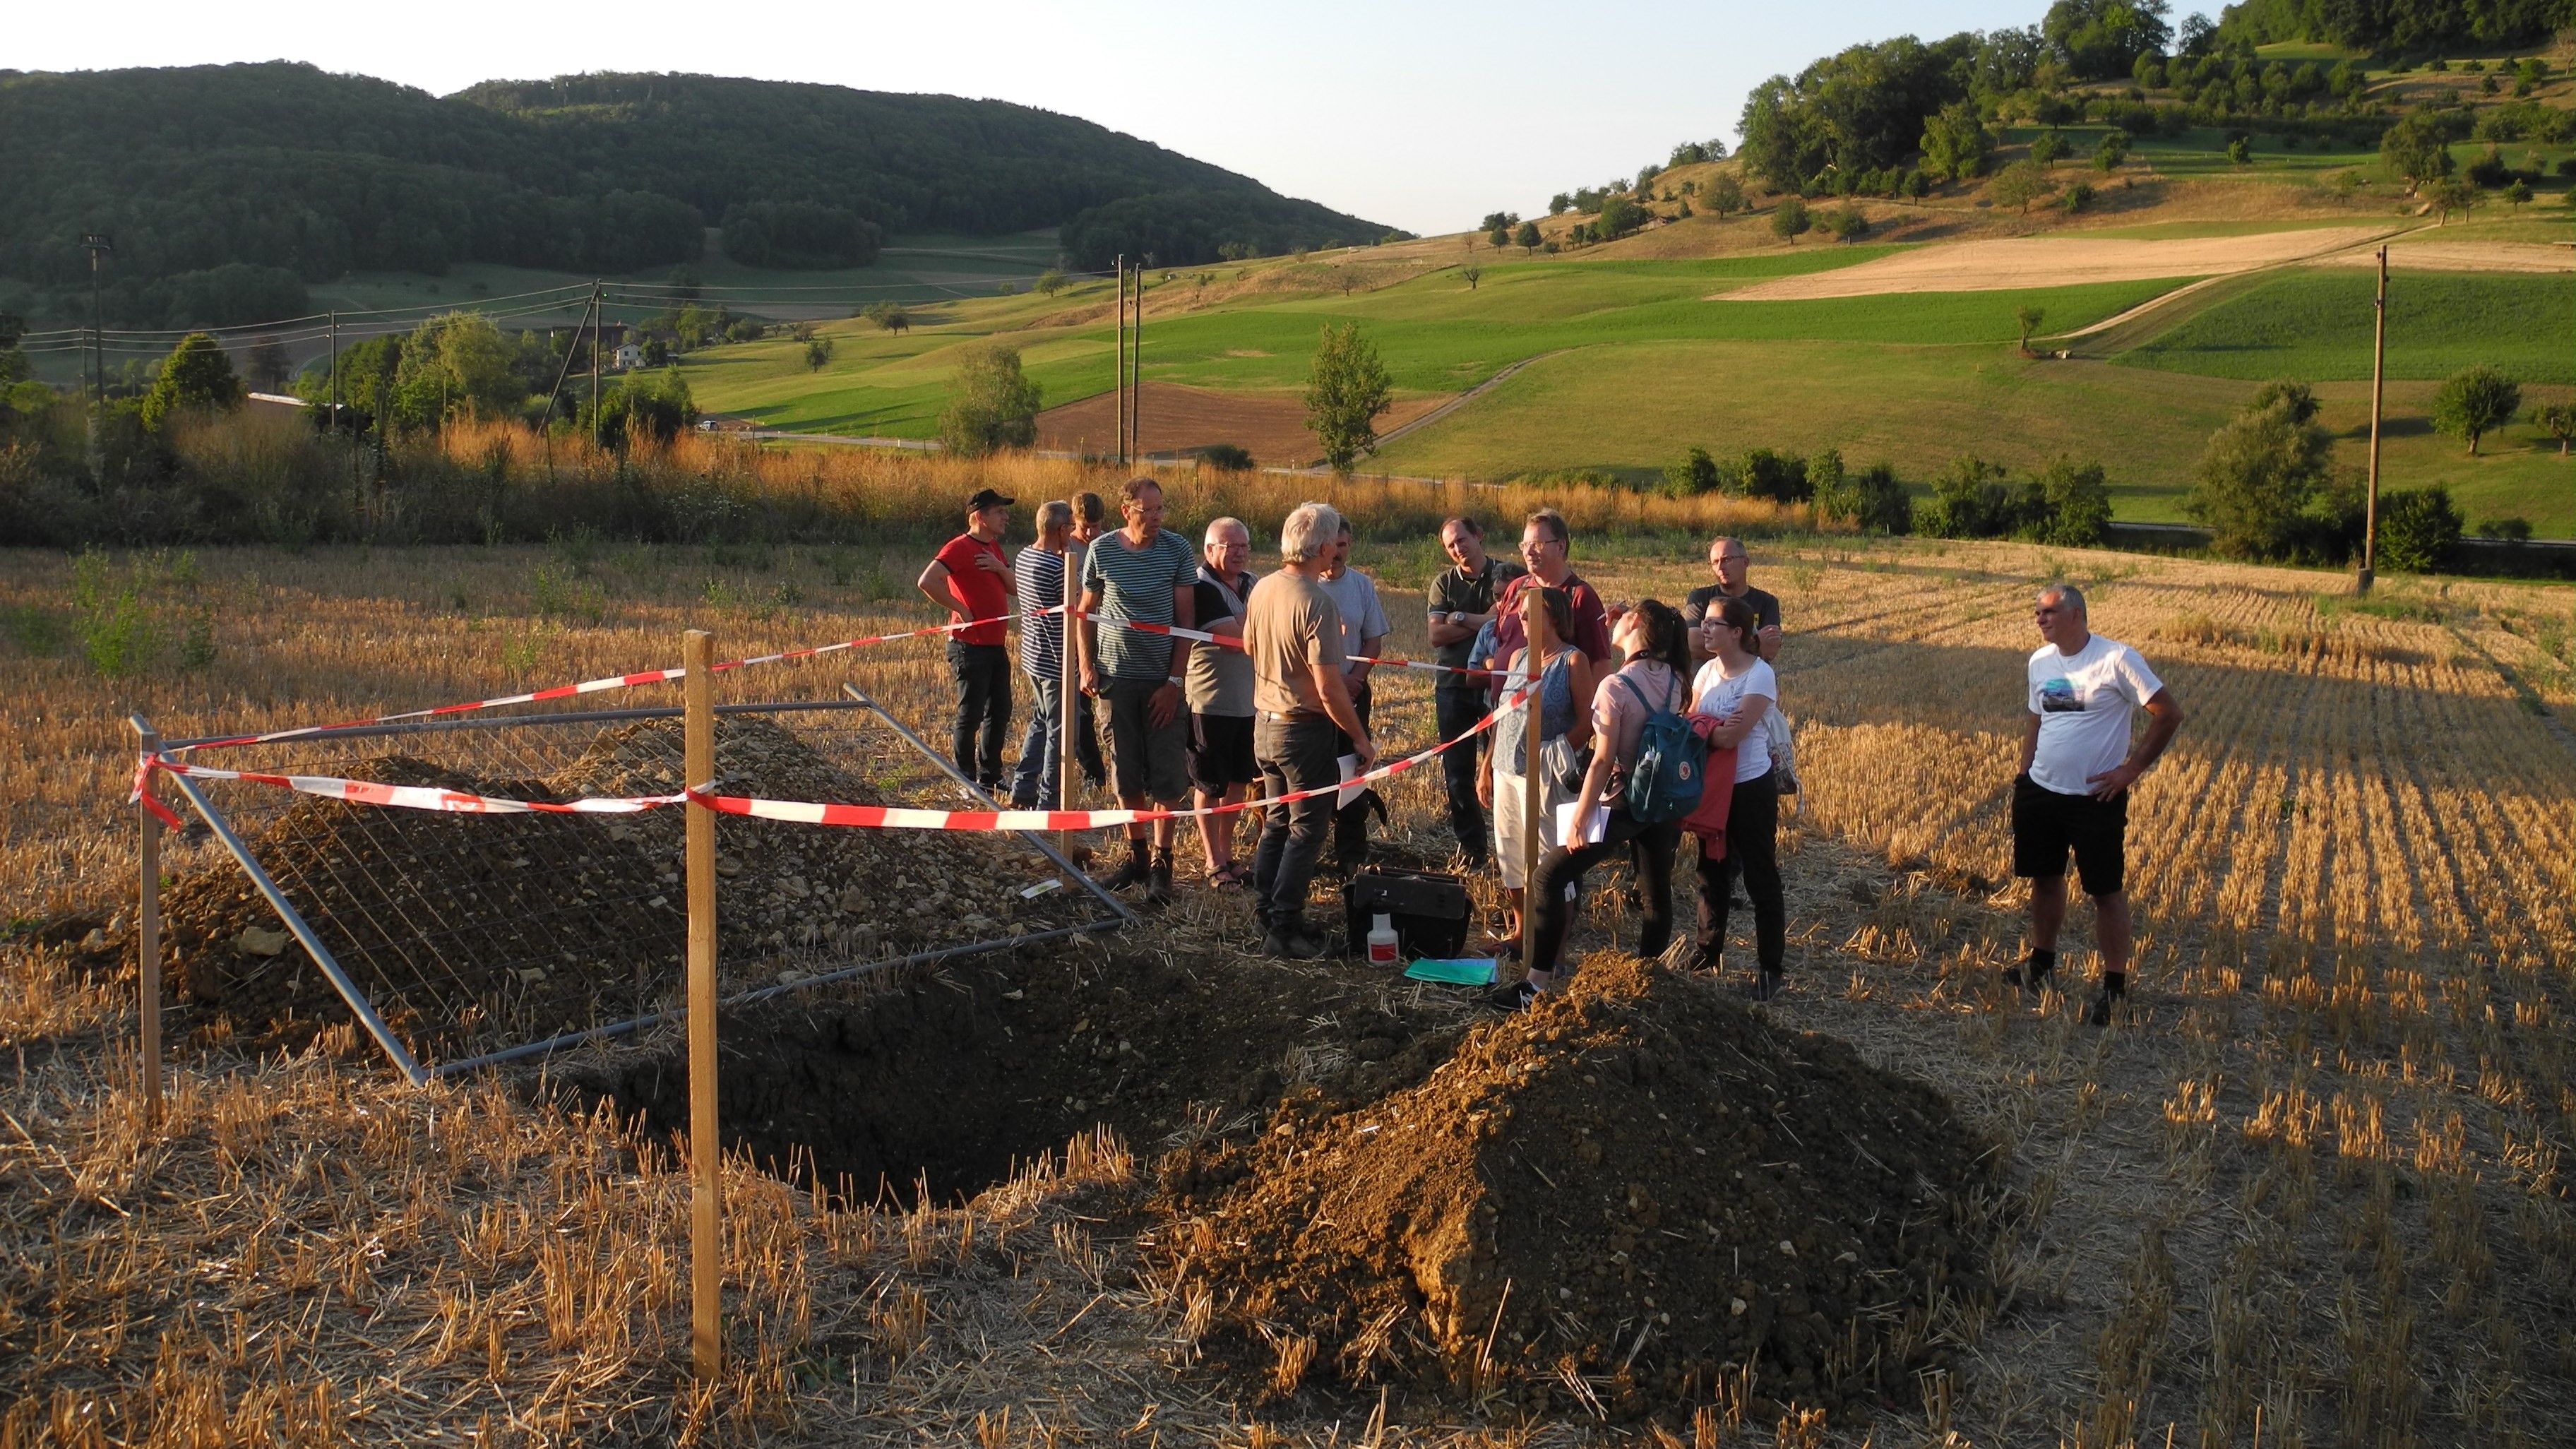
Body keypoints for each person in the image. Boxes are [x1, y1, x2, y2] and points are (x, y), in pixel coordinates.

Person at [1492, 600, 1693, 1010]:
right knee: (1656, 895)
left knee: (1548, 877)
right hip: (1663, 802)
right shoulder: (1675, 678)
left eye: (1622, 616)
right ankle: (1649, 982)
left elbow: (1601, 760)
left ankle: (1535, 986)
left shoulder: (1615, 687)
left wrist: (1582, 815)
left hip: (1623, 803)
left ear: (1635, 624)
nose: (1612, 622)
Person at [2005, 583, 2185, 1026]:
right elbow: (2039, 717)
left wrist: (2131, 770)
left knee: (2105, 892)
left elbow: (2169, 713)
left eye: (2048, 611)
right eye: (2037, 612)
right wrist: (2025, 774)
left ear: (2077, 614)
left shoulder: (2116, 659)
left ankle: (2115, 987)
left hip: (2094, 800)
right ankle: (2041, 966)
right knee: (2045, 881)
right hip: (2041, 793)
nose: (2039, 618)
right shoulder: (2040, 662)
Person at [1244, 503, 1376, 959]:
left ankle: (1269, 913)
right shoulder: (1316, 601)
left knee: (1277, 823)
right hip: (1303, 731)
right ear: (1322, 547)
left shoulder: (1262, 588)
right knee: (1307, 830)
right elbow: (1329, 687)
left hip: (1265, 724)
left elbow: (1248, 646)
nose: (1334, 554)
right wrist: (1359, 737)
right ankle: (1283, 929)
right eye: (1332, 546)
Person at [1076, 478, 1198, 905]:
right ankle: (1137, 856)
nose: (1156, 517)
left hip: (1162, 680)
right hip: (1115, 680)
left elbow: (1186, 622)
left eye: (1160, 508)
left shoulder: (1177, 549)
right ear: (1126, 509)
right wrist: (1086, 665)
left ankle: (1164, 865)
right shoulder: (1102, 550)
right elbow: (1085, 613)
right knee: (1125, 774)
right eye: (1147, 509)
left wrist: (1175, 683)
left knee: (1167, 778)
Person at [1481, 585, 1594, 955]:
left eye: (1531, 613)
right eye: (1521, 614)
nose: (1522, 619)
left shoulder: (1573, 662)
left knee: (1550, 862)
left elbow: (1588, 722)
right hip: (1506, 770)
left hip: (1547, 777)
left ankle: (1553, 950)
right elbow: (1502, 715)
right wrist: (1486, 766)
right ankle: (1520, 933)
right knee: (1511, 854)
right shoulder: (1517, 657)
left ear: (1555, 618)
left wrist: (1554, 754)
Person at [1688, 597, 1787, 1000]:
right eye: (1705, 622)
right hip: (1713, 787)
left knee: (1760, 876)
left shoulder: (1760, 676)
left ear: (1737, 633)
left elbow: (1730, 736)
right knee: (1710, 871)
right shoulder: (1707, 672)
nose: (1704, 629)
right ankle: (1707, 952)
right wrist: (1710, 726)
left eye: (1714, 623)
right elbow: (1692, 720)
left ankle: (1770, 969)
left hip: (1749, 788)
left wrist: (1704, 728)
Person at [1427, 515, 1523, 868]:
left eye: (1461, 541)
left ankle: (1508, 845)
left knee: (1502, 767)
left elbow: (1504, 622)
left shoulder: (1505, 575)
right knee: (1457, 772)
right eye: (1450, 546)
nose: (1457, 549)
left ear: (1478, 535)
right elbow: (1435, 636)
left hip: (1497, 689)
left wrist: (1457, 617)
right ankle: (1473, 849)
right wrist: (1480, 618)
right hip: (1453, 688)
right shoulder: (1443, 583)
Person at [917, 487, 1015, 794]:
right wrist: (959, 609)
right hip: (968, 645)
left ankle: (990, 775)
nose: (1005, 516)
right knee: (970, 713)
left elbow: (1013, 588)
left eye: (1004, 511)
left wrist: (1000, 568)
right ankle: (965, 778)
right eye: (999, 511)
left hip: (995, 645)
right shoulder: (959, 547)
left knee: (1000, 711)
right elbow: (927, 581)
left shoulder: (995, 547)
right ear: (979, 517)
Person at [1188, 517, 1260, 886]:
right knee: (1209, 786)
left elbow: (1262, 628)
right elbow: (1236, 637)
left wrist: (1254, 622)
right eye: (1231, 546)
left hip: (1249, 704)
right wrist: (1258, 622)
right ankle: (1213, 861)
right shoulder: (1201, 588)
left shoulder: (1253, 583)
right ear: (1210, 549)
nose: (1240, 553)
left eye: (1244, 546)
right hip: (1210, 703)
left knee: (1237, 784)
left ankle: (1227, 853)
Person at [1317, 515, 1391, 873]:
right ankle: (1307, 848)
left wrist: (1356, 678)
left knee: (1353, 769)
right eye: (1332, 547)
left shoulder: (1362, 585)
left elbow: (1373, 637)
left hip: (1354, 692)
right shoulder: (1307, 586)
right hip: (1316, 696)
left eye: (1343, 546)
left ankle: (1350, 853)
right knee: (1315, 770)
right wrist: (1332, 682)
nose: (1337, 554)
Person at [1485, 509, 1614, 690]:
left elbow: (1600, 666)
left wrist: (1588, 715)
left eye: (1537, 544)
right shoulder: (1515, 588)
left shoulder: (1580, 596)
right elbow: (1501, 644)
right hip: (1506, 709)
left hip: (1551, 712)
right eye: (1525, 545)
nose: (1528, 552)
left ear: (1561, 546)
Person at [1008, 500, 1076, 810]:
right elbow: (1074, 608)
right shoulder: (1058, 567)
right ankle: (1050, 799)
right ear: (1061, 530)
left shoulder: (1024, 556)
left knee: (1040, 720)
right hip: (1056, 660)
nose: (1073, 533)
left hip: (1033, 655)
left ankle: (1023, 788)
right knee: (1059, 731)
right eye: (1070, 528)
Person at [1065, 492, 1109, 790]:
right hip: (1076, 637)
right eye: (1085, 527)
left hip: (1109, 635)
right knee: (1079, 712)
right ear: (1073, 521)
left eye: (1096, 526)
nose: (1091, 533)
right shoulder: (1064, 547)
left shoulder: (1110, 544)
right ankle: (1094, 773)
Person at [1683, 535, 1783, 664]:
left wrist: (1714, 645)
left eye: (1727, 560)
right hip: (1711, 681)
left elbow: (1770, 649)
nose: (1720, 567)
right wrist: (1754, 642)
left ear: (1745, 562)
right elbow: (1694, 645)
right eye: (1715, 562)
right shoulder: (1700, 598)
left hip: (1752, 679)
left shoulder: (1767, 602)